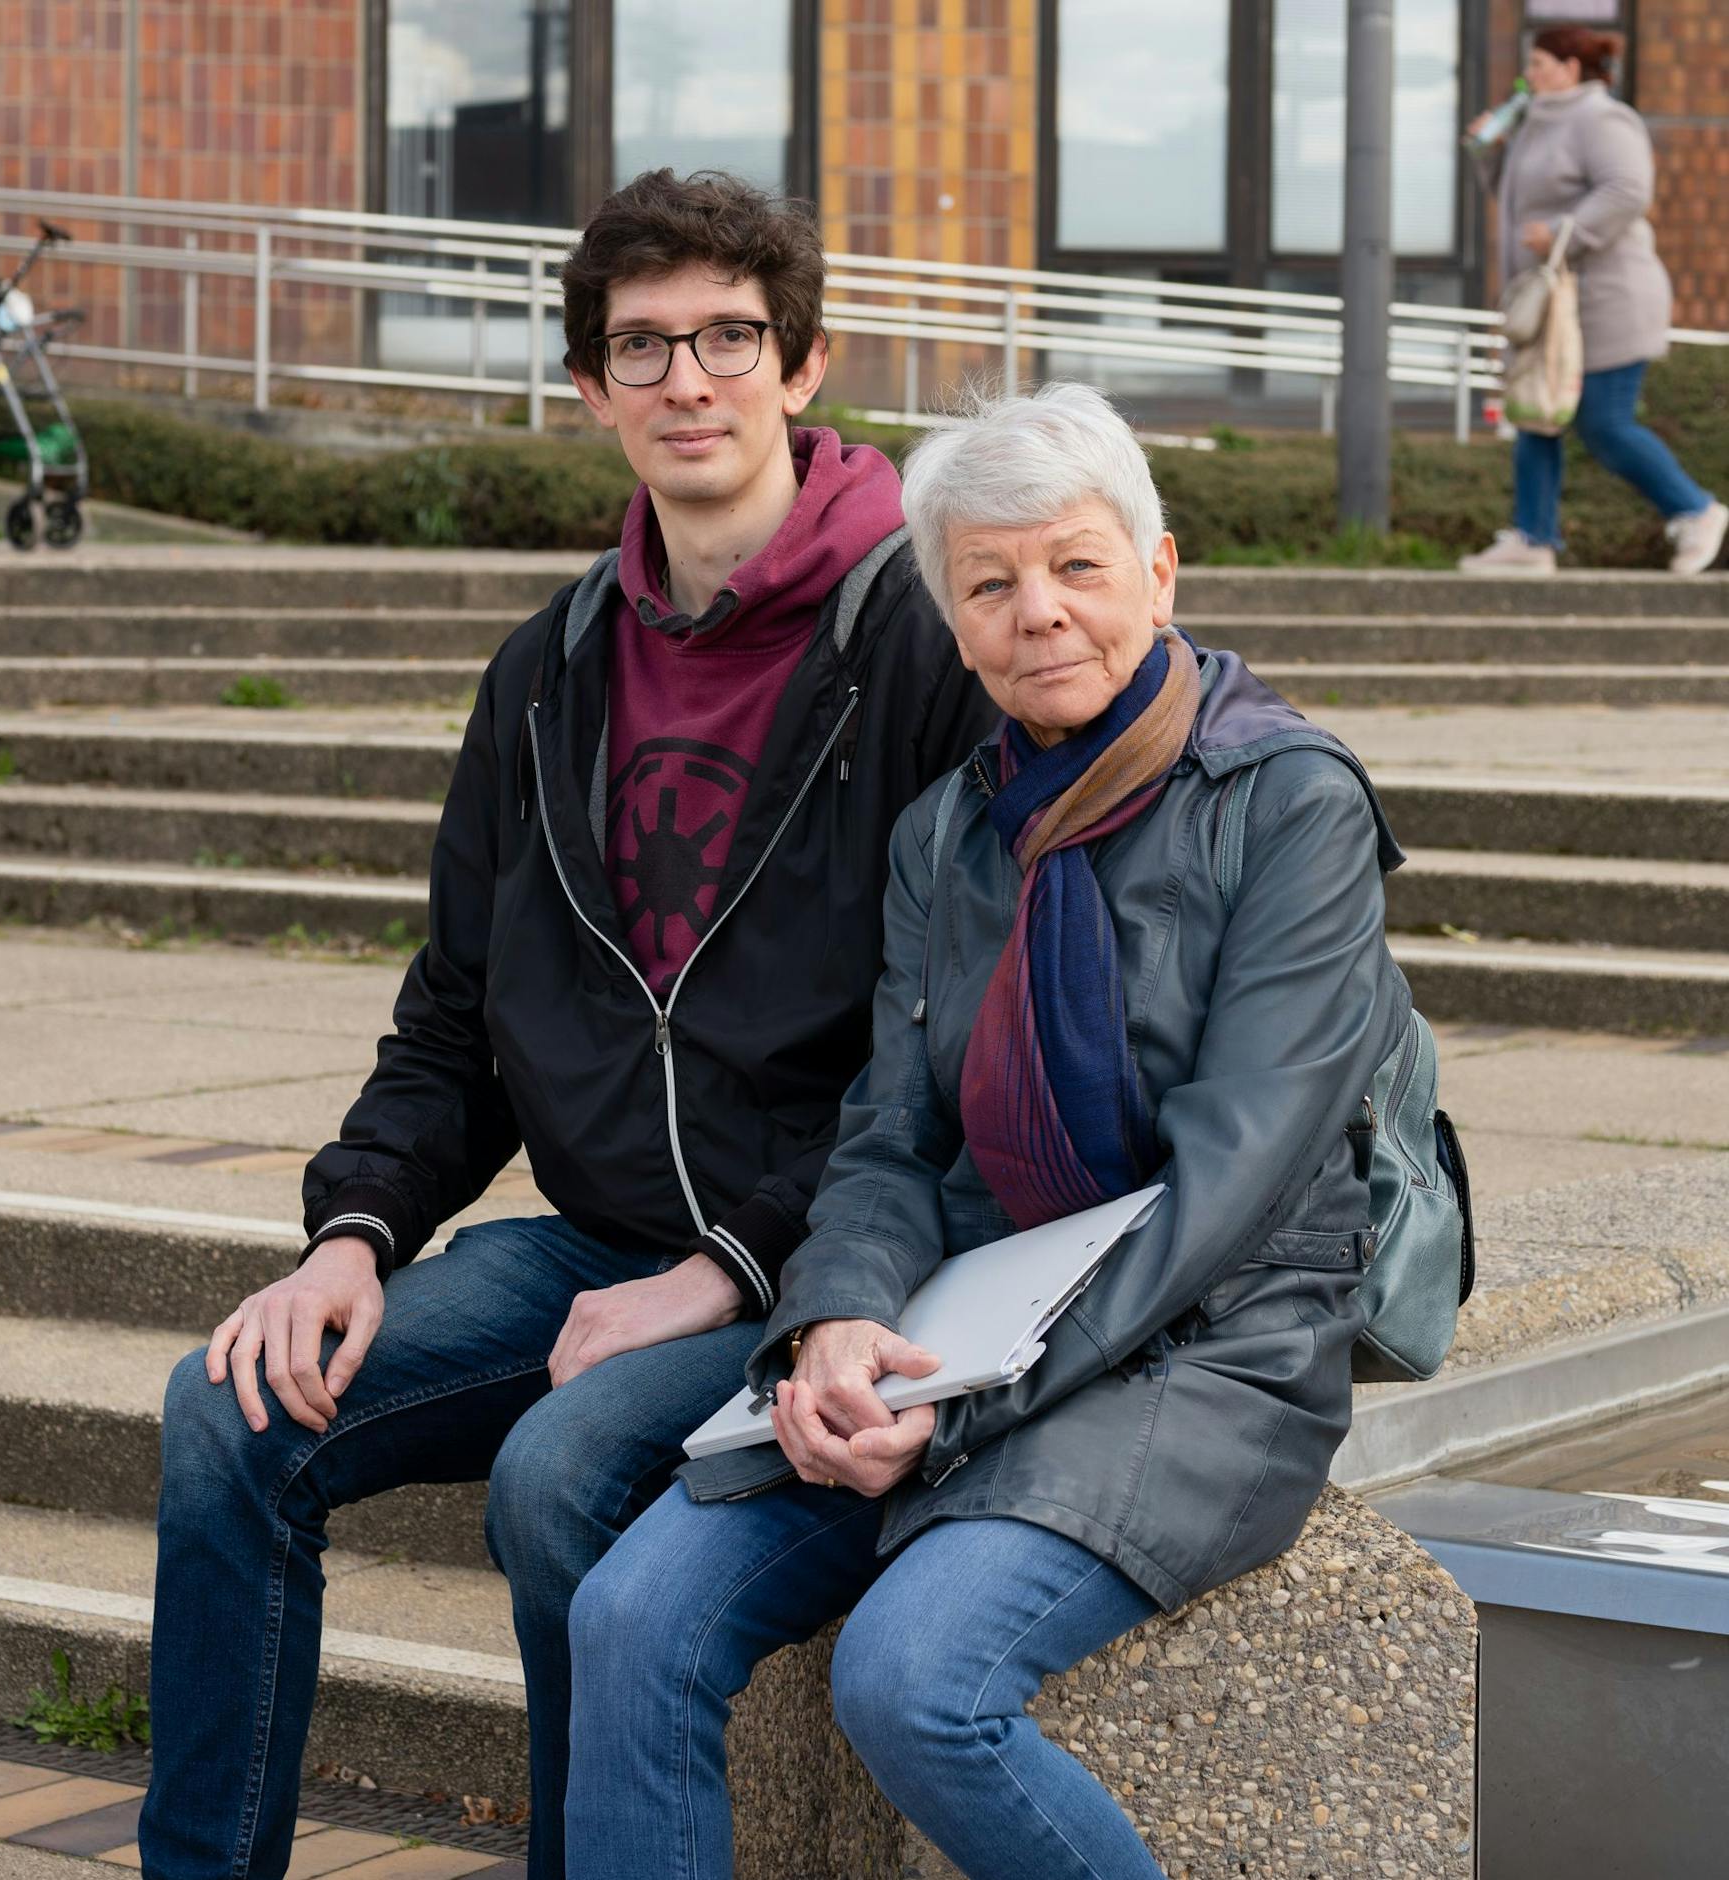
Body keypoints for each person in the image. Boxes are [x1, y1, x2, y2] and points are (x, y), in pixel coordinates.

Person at [136, 168, 991, 1880]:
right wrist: (356, 1232)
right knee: (227, 1415)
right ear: (590, 389)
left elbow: (953, 1038)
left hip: (835, 1259)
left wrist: (746, 1264)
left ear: (803, 365)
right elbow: (455, 1013)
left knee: (557, 1475)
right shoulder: (549, 671)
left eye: (731, 338)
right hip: (599, 1247)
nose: (691, 380)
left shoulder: (922, 639)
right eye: (644, 346)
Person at [564, 382, 1412, 1880]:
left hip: (1211, 1341)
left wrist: (953, 1410)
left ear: (1160, 572)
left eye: (1079, 567)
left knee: (914, 1681)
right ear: (951, 626)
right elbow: (888, 1136)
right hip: (971, 1314)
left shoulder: (1292, 803)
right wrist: (834, 1328)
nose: (1041, 613)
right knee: (632, 1619)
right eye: (990, 583)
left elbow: (1237, 1172)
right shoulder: (946, 832)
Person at [1459, 26, 1726, 576]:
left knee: (1604, 422)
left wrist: (1564, 230)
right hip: (1555, 311)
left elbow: (1628, 191)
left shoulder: (1602, 120)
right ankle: (1532, 538)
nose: (1527, 75)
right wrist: (1491, 154)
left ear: (1570, 69)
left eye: (1538, 63)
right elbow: (1513, 203)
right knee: (1536, 414)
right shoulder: (1535, 120)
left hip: (1610, 301)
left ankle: (1696, 509)